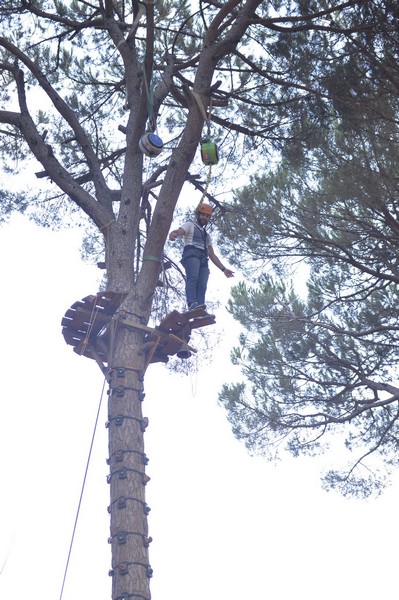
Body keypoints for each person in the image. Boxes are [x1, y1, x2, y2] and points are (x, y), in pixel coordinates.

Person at [169, 202, 234, 309]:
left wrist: (223, 269)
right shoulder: (190, 225)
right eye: (203, 215)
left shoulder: (206, 235)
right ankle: (192, 303)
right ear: (198, 215)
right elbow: (180, 231)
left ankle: (200, 308)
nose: (205, 217)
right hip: (192, 255)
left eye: (207, 216)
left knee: (202, 284)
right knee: (193, 278)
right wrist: (174, 234)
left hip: (203, 259)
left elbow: (212, 254)